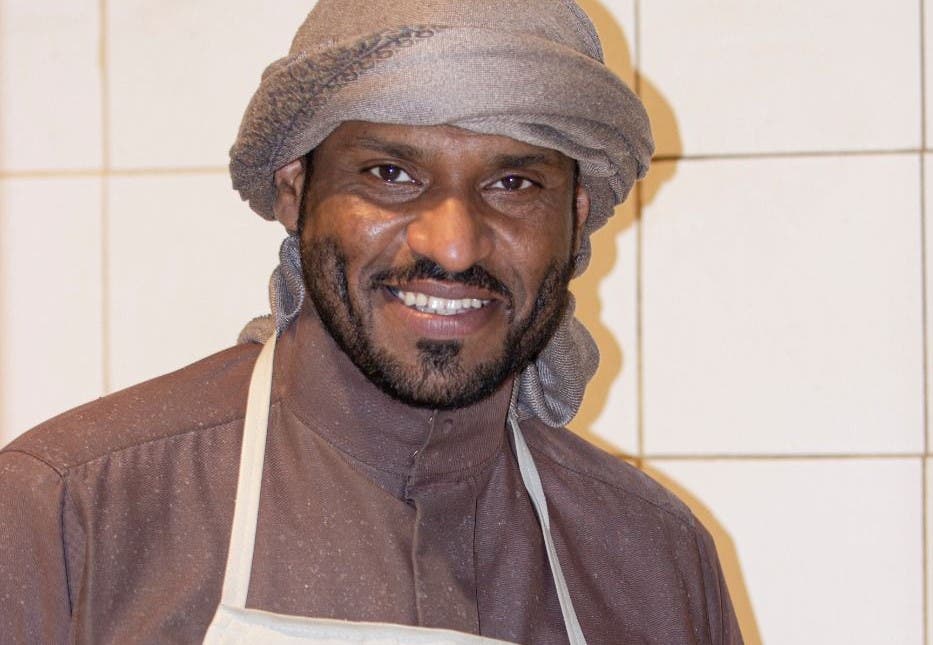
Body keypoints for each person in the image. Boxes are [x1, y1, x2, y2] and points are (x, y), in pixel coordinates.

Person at [0, 1, 743, 643]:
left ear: (574, 218)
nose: (453, 245)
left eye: (513, 183)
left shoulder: (652, 557)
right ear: (294, 189)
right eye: (391, 175)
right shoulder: (70, 508)